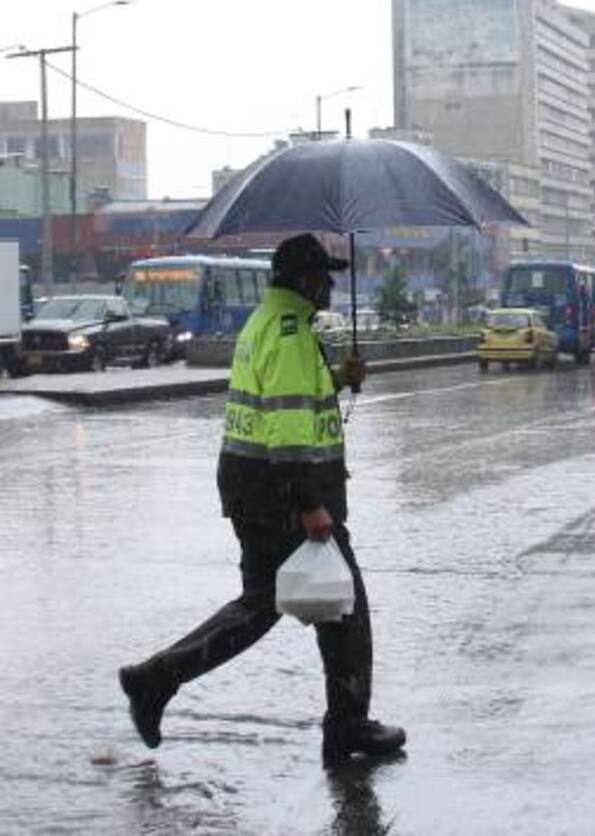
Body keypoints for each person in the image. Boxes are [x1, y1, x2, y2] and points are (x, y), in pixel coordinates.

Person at [118, 233, 406, 766]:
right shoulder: (293, 331)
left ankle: (155, 679)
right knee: (346, 607)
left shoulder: (265, 321)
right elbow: (290, 429)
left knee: (260, 606)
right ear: (303, 279)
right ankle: (347, 724)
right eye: (323, 276)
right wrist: (310, 503)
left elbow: (287, 400)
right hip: (284, 494)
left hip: (251, 485)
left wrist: (340, 378)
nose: (329, 286)